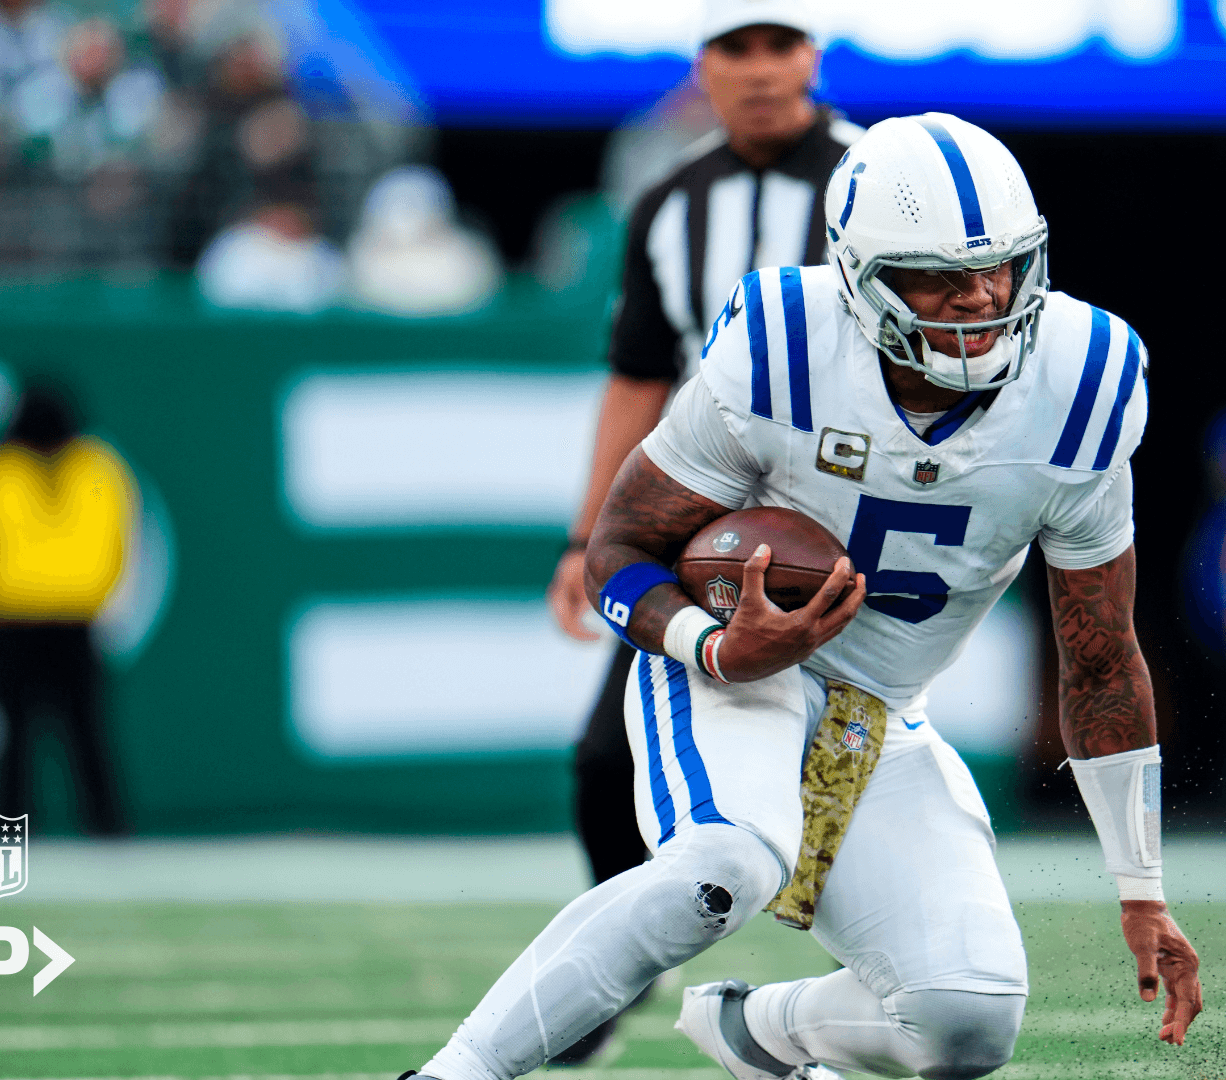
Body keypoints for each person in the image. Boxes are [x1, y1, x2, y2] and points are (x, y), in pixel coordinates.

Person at [404, 113, 1202, 1080]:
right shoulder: (783, 345)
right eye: (937, 275)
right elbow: (619, 553)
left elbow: (1101, 657)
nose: (982, 296)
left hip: (879, 714)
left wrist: (1140, 886)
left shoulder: (1086, 381)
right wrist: (713, 645)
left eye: (1000, 266)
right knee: (722, 867)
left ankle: (756, 1035)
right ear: (859, 277)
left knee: (968, 1019)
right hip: (731, 671)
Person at [541, 0, 860, 1060]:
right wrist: (590, 536)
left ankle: (887, 993)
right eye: (737, 46)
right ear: (703, 63)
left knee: (860, 771)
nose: (761, 69)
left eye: (779, 44)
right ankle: (617, 969)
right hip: (699, 537)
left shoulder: (877, 180)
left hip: (850, 526)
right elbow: (637, 378)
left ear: (813, 53)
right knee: (604, 765)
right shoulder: (668, 202)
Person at [0, 382, 135, 836]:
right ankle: (108, 834)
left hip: (19, 622)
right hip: (62, 621)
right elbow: (122, 543)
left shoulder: (0, 470)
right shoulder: (96, 468)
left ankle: (15, 833)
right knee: (73, 736)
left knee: (33, 738)